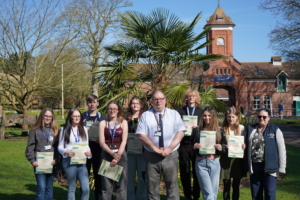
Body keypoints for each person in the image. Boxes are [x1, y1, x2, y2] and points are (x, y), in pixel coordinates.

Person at [135, 89, 186, 200]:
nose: (159, 101)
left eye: (161, 99)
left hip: (170, 155)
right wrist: (155, 149)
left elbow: (181, 132)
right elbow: (140, 135)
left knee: (172, 188)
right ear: (151, 102)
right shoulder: (145, 115)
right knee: (152, 190)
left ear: (165, 100)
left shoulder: (174, 114)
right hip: (151, 156)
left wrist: (169, 148)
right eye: (155, 99)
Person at [245, 108, 286, 200]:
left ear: (269, 118)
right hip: (255, 167)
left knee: (270, 195)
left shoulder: (275, 130)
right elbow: (246, 145)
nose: (261, 119)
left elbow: (282, 150)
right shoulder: (251, 129)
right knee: (256, 195)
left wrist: (282, 168)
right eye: (259, 116)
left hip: (270, 168)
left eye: (264, 117)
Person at [191, 107, 226, 200]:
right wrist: (194, 147)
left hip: (214, 162)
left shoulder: (220, 131)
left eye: (209, 116)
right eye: (205, 115)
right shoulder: (196, 131)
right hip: (201, 163)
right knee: (208, 193)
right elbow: (191, 146)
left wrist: (221, 147)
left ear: (213, 117)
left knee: (213, 192)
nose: (207, 118)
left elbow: (224, 146)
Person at [25, 108, 59, 200]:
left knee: (49, 188)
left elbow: (58, 148)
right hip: (39, 164)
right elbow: (30, 147)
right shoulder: (35, 130)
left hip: (51, 164)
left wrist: (56, 159)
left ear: (52, 118)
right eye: (46, 116)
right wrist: (32, 160)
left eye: (50, 116)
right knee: (41, 187)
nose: (48, 118)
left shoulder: (55, 131)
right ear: (42, 116)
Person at [58, 108, 91, 200]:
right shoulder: (64, 129)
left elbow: (86, 145)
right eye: (74, 116)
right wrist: (66, 152)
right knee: (72, 188)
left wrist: (89, 153)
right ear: (70, 117)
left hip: (81, 161)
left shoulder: (84, 129)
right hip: (69, 161)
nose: (77, 118)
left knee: (86, 189)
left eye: (78, 116)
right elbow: (60, 147)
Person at [99, 100, 128, 200]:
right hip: (107, 155)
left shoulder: (123, 122)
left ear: (118, 110)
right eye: (110, 108)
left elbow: (124, 141)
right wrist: (112, 154)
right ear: (107, 110)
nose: (112, 110)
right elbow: (102, 142)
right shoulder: (103, 123)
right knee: (107, 186)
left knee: (122, 186)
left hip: (121, 156)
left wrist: (117, 156)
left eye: (114, 108)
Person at [177, 89, 202, 200]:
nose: (191, 98)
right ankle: (187, 195)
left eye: (193, 96)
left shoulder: (201, 112)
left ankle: (196, 195)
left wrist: (199, 128)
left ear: (196, 98)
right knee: (184, 171)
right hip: (183, 145)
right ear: (186, 98)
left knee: (197, 172)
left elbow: (205, 127)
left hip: (196, 145)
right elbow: (175, 127)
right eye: (189, 96)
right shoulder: (180, 112)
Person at [82, 95, 106, 200]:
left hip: (98, 151)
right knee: (84, 176)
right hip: (85, 151)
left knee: (98, 177)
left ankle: (99, 198)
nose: (92, 104)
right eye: (90, 102)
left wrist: (101, 138)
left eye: (94, 102)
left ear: (97, 103)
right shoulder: (82, 117)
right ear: (87, 103)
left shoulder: (102, 117)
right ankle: (84, 197)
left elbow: (106, 133)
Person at [220, 107, 246, 200]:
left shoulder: (241, 128)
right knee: (226, 184)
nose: (231, 119)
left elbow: (244, 142)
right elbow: (220, 143)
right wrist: (224, 146)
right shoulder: (222, 129)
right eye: (229, 117)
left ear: (237, 117)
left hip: (237, 160)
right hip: (226, 158)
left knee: (236, 184)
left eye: (233, 117)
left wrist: (244, 146)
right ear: (226, 117)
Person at [125, 96, 147, 200]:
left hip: (142, 152)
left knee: (142, 177)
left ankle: (141, 197)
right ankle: (130, 198)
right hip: (129, 152)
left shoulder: (145, 117)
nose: (135, 105)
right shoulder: (125, 119)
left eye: (137, 103)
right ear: (130, 105)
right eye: (133, 103)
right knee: (130, 177)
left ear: (141, 105)